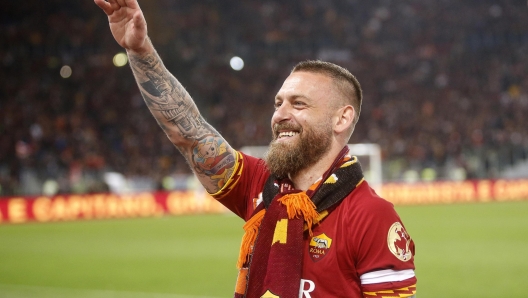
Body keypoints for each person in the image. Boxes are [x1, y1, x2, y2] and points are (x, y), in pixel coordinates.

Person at [94, 0, 417, 297]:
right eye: (278, 103)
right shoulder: (263, 184)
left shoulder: (371, 216)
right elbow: (189, 134)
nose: (280, 114)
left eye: (299, 104)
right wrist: (140, 50)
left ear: (341, 118)